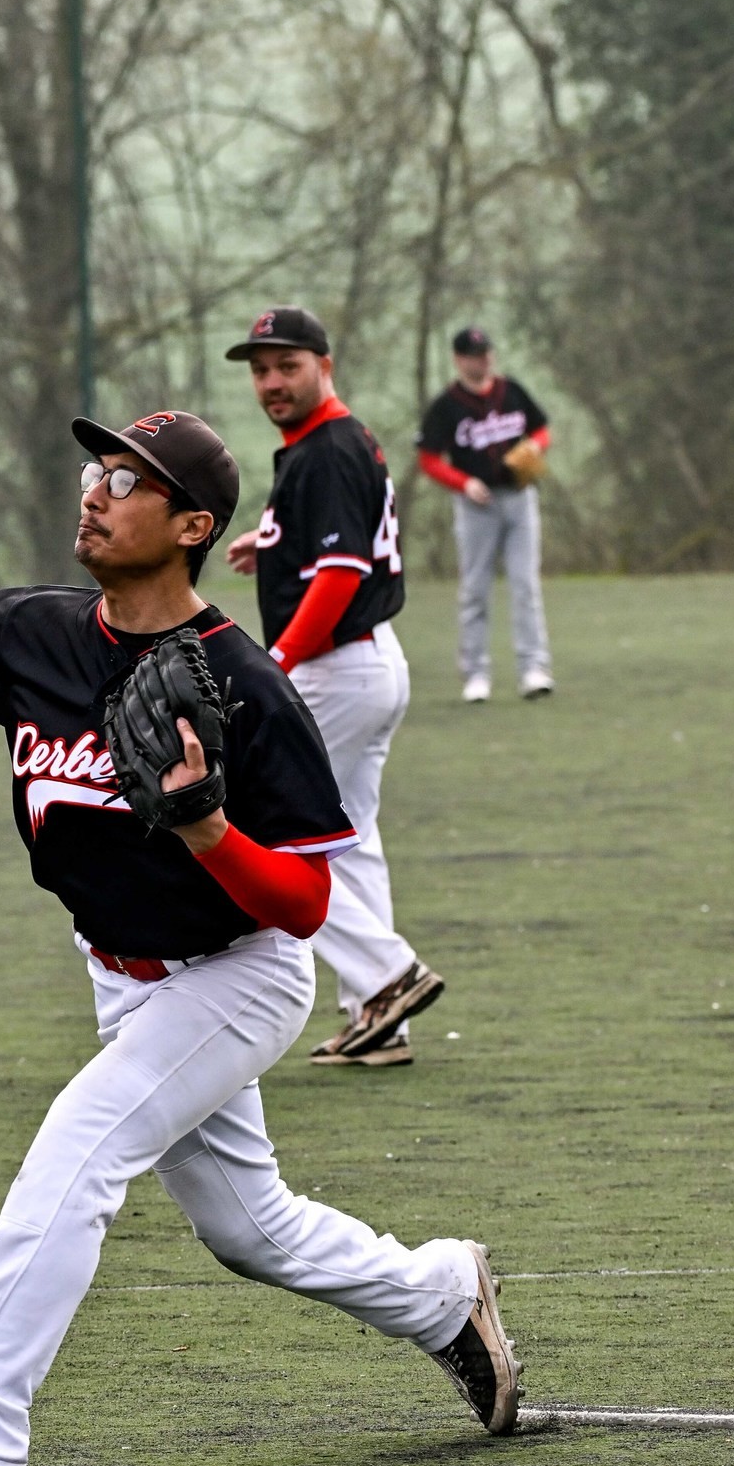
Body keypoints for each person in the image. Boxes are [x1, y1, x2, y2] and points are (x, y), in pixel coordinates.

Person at [0, 408, 519, 1466]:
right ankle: (439, 1298)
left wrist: (206, 832)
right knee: (248, 1229)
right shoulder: (24, 631)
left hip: (235, 975)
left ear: (190, 524)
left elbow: (310, 901)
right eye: (95, 471)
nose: (95, 492)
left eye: (127, 482)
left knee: (72, 1161)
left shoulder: (244, 687)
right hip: (117, 970)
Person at [224, 307, 443, 1069]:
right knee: (349, 843)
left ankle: (388, 971)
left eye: (287, 365)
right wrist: (275, 545)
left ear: (325, 363)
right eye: (260, 370)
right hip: (366, 662)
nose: (272, 382)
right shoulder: (331, 445)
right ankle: (382, 1018)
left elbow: (343, 573)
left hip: (335, 667)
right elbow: (334, 548)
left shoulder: (324, 450)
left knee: (266, 834)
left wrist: (276, 661)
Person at [417, 328, 554, 703]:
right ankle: (475, 674)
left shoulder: (511, 391)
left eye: (487, 352)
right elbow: (428, 458)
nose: (484, 359)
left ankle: (534, 669)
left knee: (526, 585)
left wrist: (533, 446)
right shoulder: (448, 405)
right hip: (477, 506)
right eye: (475, 354)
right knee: (475, 590)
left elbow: (542, 430)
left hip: (520, 499)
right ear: (459, 359)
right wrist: (463, 483)